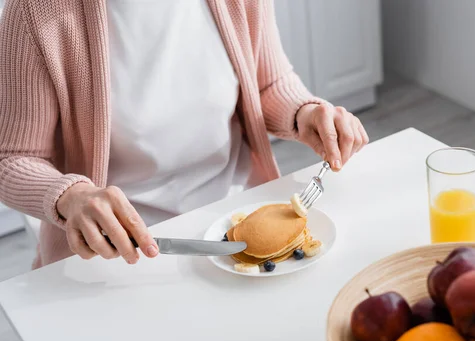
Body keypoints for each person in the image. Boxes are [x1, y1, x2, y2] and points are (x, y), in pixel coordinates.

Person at [0, 0, 369, 268]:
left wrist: (305, 112)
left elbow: (268, 82)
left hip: (235, 223)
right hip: (121, 251)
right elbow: (12, 158)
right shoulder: (37, 12)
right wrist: (71, 196)